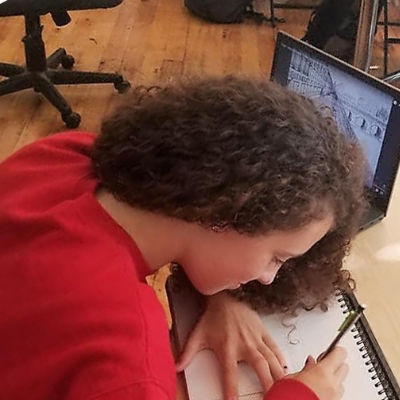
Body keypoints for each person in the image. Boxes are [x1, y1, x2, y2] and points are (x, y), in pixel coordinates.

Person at [0, 76, 366, 400]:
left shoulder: (61, 153)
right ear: (225, 211)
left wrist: (221, 296)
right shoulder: (130, 362)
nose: (270, 276)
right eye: (277, 257)